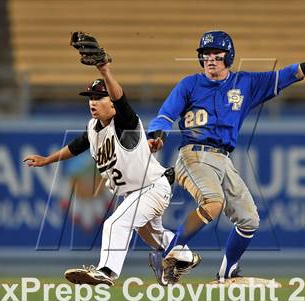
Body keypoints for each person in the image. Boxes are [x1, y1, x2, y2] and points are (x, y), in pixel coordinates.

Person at [147, 30, 305, 284]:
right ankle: (166, 256)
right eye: (205, 55)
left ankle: (227, 271)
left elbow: (285, 76)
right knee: (213, 202)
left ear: (228, 57)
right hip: (193, 154)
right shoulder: (190, 84)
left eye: (216, 55)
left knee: (249, 220)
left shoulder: (245, 83)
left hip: (223, 159)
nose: (210, 60)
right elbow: (165, 114)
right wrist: (157, 133)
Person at [23, 34, 200, 286]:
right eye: (90, 98)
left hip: (151, 188)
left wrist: (105, 70)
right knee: (157, 238)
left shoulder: (124, 121)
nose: (93, 102)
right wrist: (47, 160)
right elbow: (76, 146)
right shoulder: (94, 127)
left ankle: (106, 271)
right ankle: (186, 256)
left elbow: (121, 99)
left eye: (99, 98)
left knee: (116, 222)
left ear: (112, 105)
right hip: (134, 193)